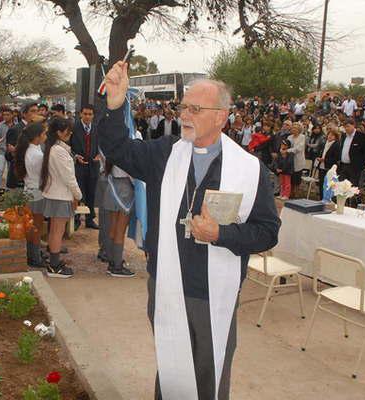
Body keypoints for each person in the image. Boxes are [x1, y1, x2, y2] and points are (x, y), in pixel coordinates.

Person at [99, 61, 280, 400]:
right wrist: (115, 102)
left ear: (221, 117)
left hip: (212, 289)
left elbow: (268, 232)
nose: (185, 114)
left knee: (208, 373)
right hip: (166, 281)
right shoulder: (165, 153)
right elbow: (118, 149)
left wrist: (221, 236)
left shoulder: (249, 169)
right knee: (170, 367)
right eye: (184, 107)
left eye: (195, 109)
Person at [40, 117, 81, 278]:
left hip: (57, 194)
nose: (69, 133)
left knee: (55, 230)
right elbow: (68, 177)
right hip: (61, 195)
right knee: (58, 231)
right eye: (67, 131)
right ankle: (54, 265)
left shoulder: (56, 148)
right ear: (58, 132)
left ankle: (54, 262)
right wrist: (78, 194)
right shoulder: (58, 150)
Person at [15, 122, 48, 268]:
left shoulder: (27, 149)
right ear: (37, 136)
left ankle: (32, 254)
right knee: (36, 226)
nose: (45, 136)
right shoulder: (37, 154)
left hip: (28, 190)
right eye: (44, 134)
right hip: (37, 192)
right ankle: (35, 257)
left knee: (31, 225)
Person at [102, 160, 136, 277]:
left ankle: (112, 262)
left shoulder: (111, 149)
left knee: (113, 228)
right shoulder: (125, 151)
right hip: (124, 189)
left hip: (112, 186)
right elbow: (132, 175)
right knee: (120, 231)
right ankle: (117, 266)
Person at [71, 104, 100, 229]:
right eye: (85, 114)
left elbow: (101, 144)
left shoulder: (97, 128)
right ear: (80, 114)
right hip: (78, 165)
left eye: (90, 114)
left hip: (93, 166)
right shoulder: (73, 128)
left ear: (93, 115)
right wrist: (75, 156)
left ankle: (90, 219)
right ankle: (76, 219)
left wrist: (99, 155)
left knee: (91, 193)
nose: (87, 116)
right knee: (78, 194)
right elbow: (67, 145)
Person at [6, 101, 39, 189]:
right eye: (33, 111)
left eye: (37, 111)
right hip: (18, 178)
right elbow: (8, 156)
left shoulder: (39, 129)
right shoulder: (15, 130)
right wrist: (14, 152)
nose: (36, 114)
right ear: (24, 114)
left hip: (34, 178)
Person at [338, 119, 365, 187]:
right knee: (341, 187)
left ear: (353, 125)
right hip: (343, 166)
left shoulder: (362, 136)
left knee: (352, 188)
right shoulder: (344, 136)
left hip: (355, 167)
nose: (346, 128)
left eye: (348, 126)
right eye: (344, 127)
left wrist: (363, 164)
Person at [0, 108, 14, 194]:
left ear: (12, 115)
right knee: (0, 170)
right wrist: (4, 147)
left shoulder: (15, 125)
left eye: (8, 114)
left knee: (10, 171)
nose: (5, 116)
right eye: (4, 115)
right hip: (2, 151)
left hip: (12, 152)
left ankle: (9, 187)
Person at [316, 126, 341, 200]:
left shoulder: (336, 145)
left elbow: (336, 158)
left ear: (335, 137)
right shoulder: (325, 143)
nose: (329, 136)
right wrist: (319, 158)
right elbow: (321, 153)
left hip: (329, 167)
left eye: (332, 135)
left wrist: (325, 160)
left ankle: (328, 200)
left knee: (328, 185)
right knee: (321, 184)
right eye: (329, 134)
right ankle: (321, 199)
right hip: (322, 166)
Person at [286, 123, 306, 198]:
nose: (294, 129)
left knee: (296, 179)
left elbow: (299, 148)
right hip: (289, 161)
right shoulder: (289, 137)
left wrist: (288, 150)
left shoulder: (302, 137)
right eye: (293, 128)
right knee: (290, 178)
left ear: (299, 130)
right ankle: (289, 193)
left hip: (298, 160)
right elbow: (285, 146)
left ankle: (296, 194)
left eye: (296, 128)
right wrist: (285, 150)